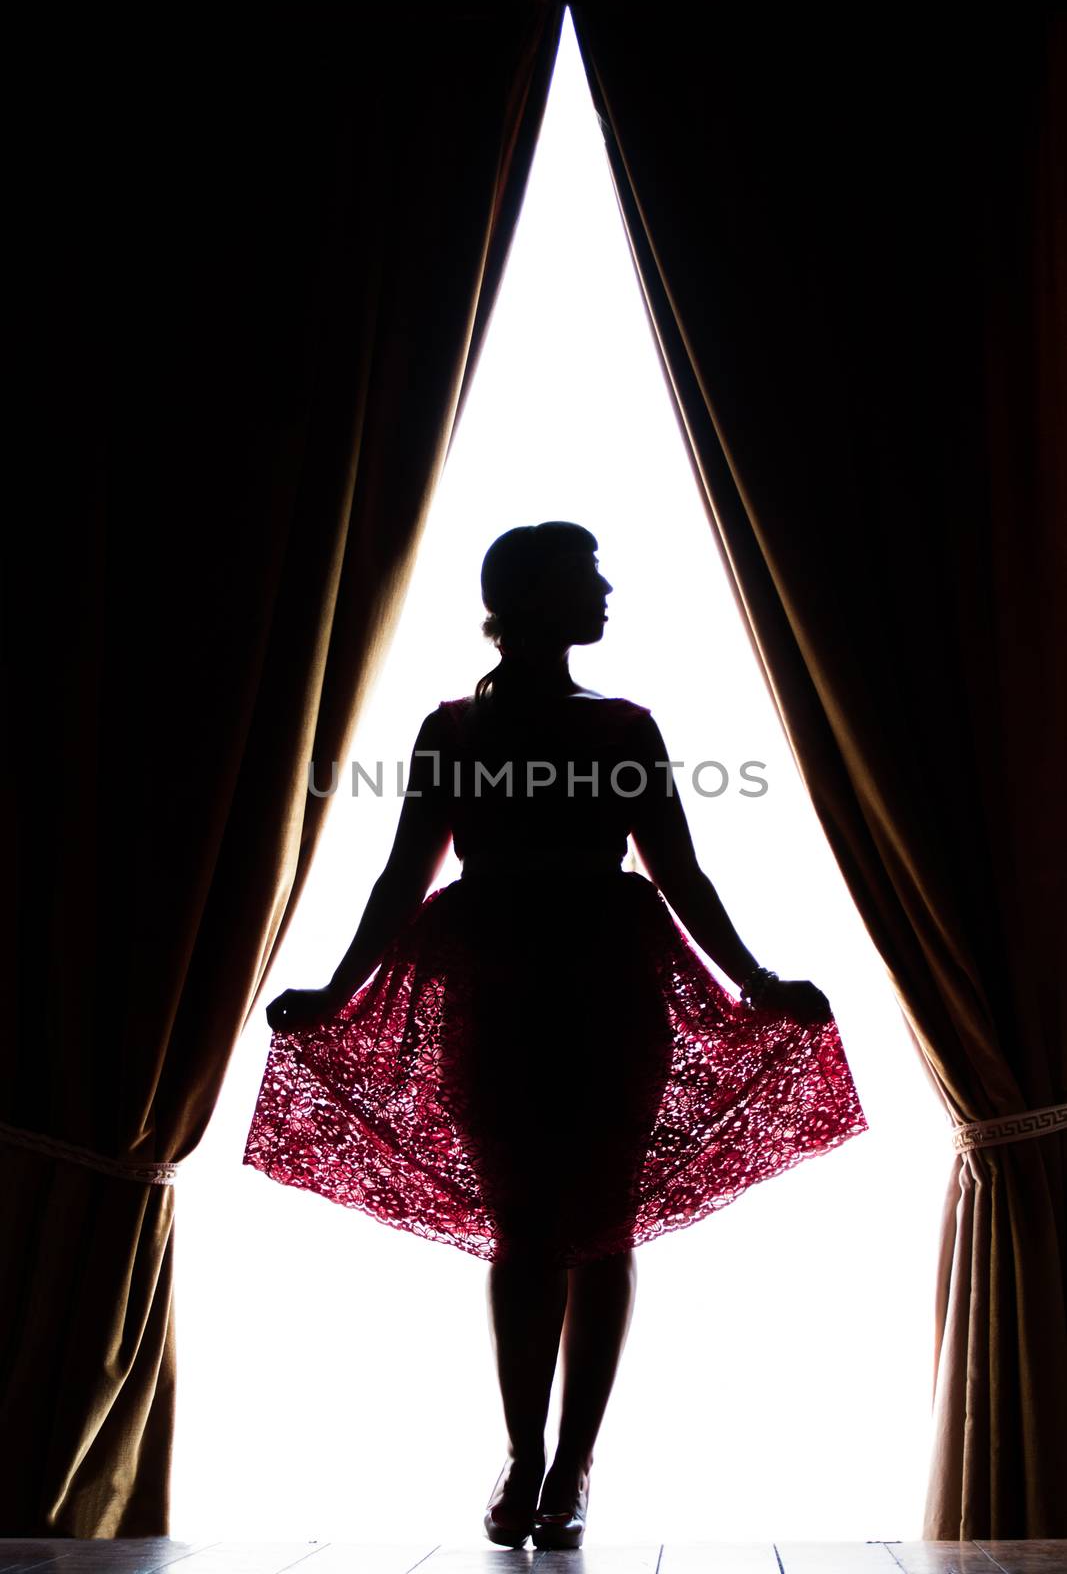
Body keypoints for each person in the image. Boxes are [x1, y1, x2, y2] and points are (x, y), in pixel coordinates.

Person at [244, 521, 867, 1550]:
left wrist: (756, 980)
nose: (607, 589)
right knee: (524, 1226)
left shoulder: (625, 726)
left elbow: (678, 869)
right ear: (534, 597)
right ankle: (526, 1454)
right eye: (587, 576)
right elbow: (403, 874)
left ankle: (570, 1464)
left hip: (609, 981)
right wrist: (331, 988)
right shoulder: (450, 731)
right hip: (494, 981)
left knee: (600, 1223)